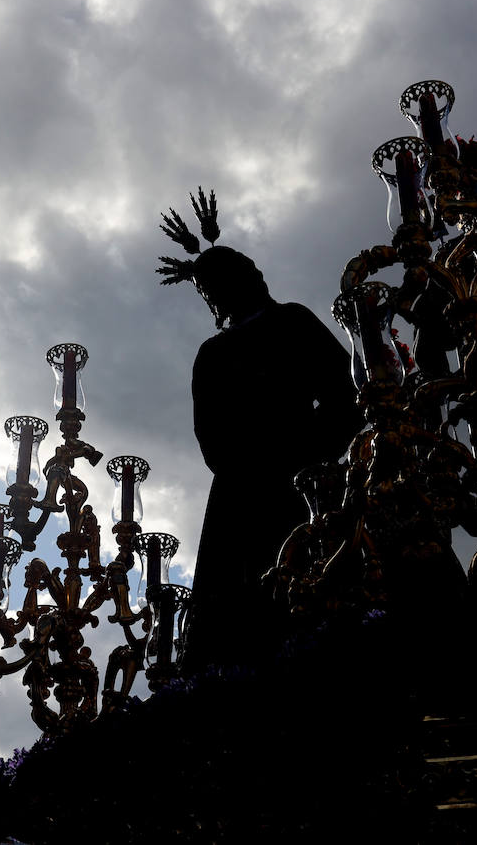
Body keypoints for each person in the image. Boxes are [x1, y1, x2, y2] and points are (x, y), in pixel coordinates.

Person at [157, 190, 359, 668]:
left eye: (228, 280)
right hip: (242, 491)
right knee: (238, 606)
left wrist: (316, 445)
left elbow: (345, 389)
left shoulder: (293, 321)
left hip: (308, 474)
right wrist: (248, 459)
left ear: (251, 276)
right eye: (210, 290)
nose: (219, 294)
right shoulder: (211, 355)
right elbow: (210, 435)